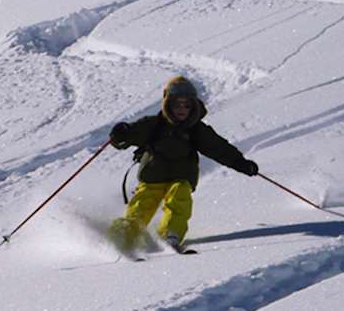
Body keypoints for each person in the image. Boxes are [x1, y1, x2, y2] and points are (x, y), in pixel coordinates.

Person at [108, 76, 258, 254]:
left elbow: (219, 149)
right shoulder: (153, 124)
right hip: (152, 176)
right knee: (142, 205)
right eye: (176, 105)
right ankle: (125, 236)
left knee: (179, 199)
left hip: (182, 176)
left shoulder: (197, 129)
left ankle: (170, 235)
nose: (182, 109)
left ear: (193, 106)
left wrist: (240, 163)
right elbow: (127, 137)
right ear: (167, 104)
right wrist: (120, 134)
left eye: (186, 105)